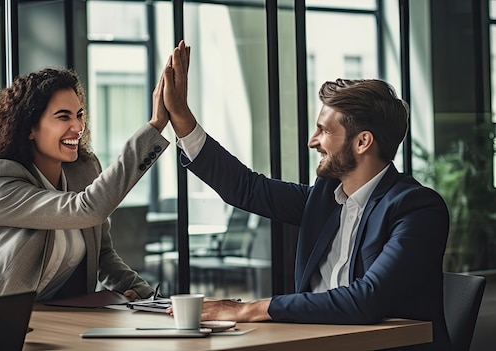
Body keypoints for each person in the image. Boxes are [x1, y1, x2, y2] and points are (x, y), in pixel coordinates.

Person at [162, 40, 450, 351]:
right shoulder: (324, 199)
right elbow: (245, 188)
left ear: (363, 142)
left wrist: (249, 309)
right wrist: (181, 117)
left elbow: (368, 299)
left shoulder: (416, 209)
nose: (312, 142)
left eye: (324, 130)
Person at [0, 66, 171, 302]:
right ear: (30, 127)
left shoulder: (84, 170)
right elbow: (87, 209)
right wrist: (156, 125)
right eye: (63, 116)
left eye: (79, 115)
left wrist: (152, 298)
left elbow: (102, 254)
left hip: (43, 317)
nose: (79, 127)